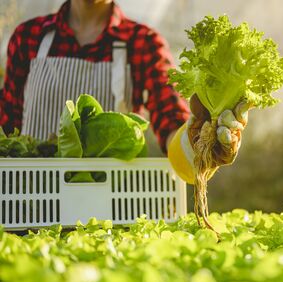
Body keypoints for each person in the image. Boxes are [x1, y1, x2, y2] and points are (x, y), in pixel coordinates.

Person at [0, 0, 247, 184]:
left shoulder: (142, 43)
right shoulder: (28, 37)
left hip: (107, 212)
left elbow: (172, 120)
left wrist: (202, 141)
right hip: (30, 202)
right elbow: (7, 127)